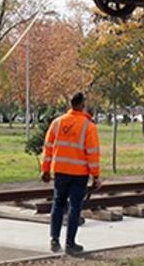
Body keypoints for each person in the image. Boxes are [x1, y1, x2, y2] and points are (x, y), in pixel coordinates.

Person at [41, 92, 101, 255]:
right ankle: (70, 243)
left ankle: (54, 239)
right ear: (82, 105)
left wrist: (45, 169)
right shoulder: (89, 126)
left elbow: (47, 148)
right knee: (75, 206)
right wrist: (96, 176)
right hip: (79, 173)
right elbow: (93, 153)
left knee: (58, 203)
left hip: (60, 171)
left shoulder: (57, 123)